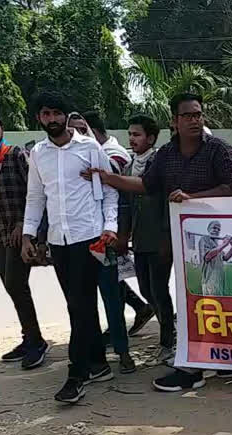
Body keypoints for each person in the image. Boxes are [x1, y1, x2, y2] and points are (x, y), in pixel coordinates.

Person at [83, 92, 232, 391]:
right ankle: (196, 361)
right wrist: (107, 178)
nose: (195, 120)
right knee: (184, 299)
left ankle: (207, 364)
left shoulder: (219, 150)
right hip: (176, 238)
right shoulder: (167, 155)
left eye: (198, 114)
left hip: (215, 239)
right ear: (174, 121)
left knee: (212, 300)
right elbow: (146, 185)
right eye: (188, 115)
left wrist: (192, 200)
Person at [22, 91, 119, 404]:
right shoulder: (38, 153)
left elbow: (109, 189)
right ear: (39, 117)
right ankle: (99, 364)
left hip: (89, 237)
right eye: (45, 114)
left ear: (66, 115)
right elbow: (36, 197)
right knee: (80, 305)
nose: (51, 119)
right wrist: (28, 235)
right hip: (58, 241)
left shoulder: (90, 147)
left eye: (56, 113)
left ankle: (76, 376)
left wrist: (110, 227)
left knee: (78, 305)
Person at [0, 109, 48, 369]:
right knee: (11, 288)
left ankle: (36, 342)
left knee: (17, 285)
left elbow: (36, 192)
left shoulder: (16, 155)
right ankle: (29, 338)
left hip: (18, 233)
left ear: (1, 128)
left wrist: (24, 224)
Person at [66, 112, 134, 374]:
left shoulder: (101, 156)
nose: (78, 134)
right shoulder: (59, 159)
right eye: (74, 130)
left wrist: (114, 231)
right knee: (80, 301)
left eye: (83, 129)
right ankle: (89, 355)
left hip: (101, 240)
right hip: (72, 241)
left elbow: (114, 196)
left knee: (112, 297)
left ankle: (123, 351)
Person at [78, 111, 156, 337]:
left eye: (82, 131)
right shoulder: (132, 161)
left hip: (148, 233)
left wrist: (118, 229)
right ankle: (131, 317)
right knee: (127, 281)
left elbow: (131, 191)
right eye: (130, 134)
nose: (132, 139)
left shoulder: (114, 155)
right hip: (118, 230)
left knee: (152, 288)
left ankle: (164, 335)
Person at [123, 114, 178, 367]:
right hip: (141, 239)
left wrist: (167, 236)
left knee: (158, 288)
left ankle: (168, 340)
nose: (132, 139)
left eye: (137, 134)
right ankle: (170, 326)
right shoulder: (129, 166)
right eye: (130, 134)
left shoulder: (160, 163)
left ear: (151, 138)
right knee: (145, 289)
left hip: (160, 238)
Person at [198, 221, 232, 296]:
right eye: (214, 228)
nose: (216, 230)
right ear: (208, 229)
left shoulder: (217, 244)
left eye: (218, 229)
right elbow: (208, 256)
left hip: (219, 278)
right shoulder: (204, 239)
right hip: (209, 280)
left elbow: (225, 258)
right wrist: (224, 244)